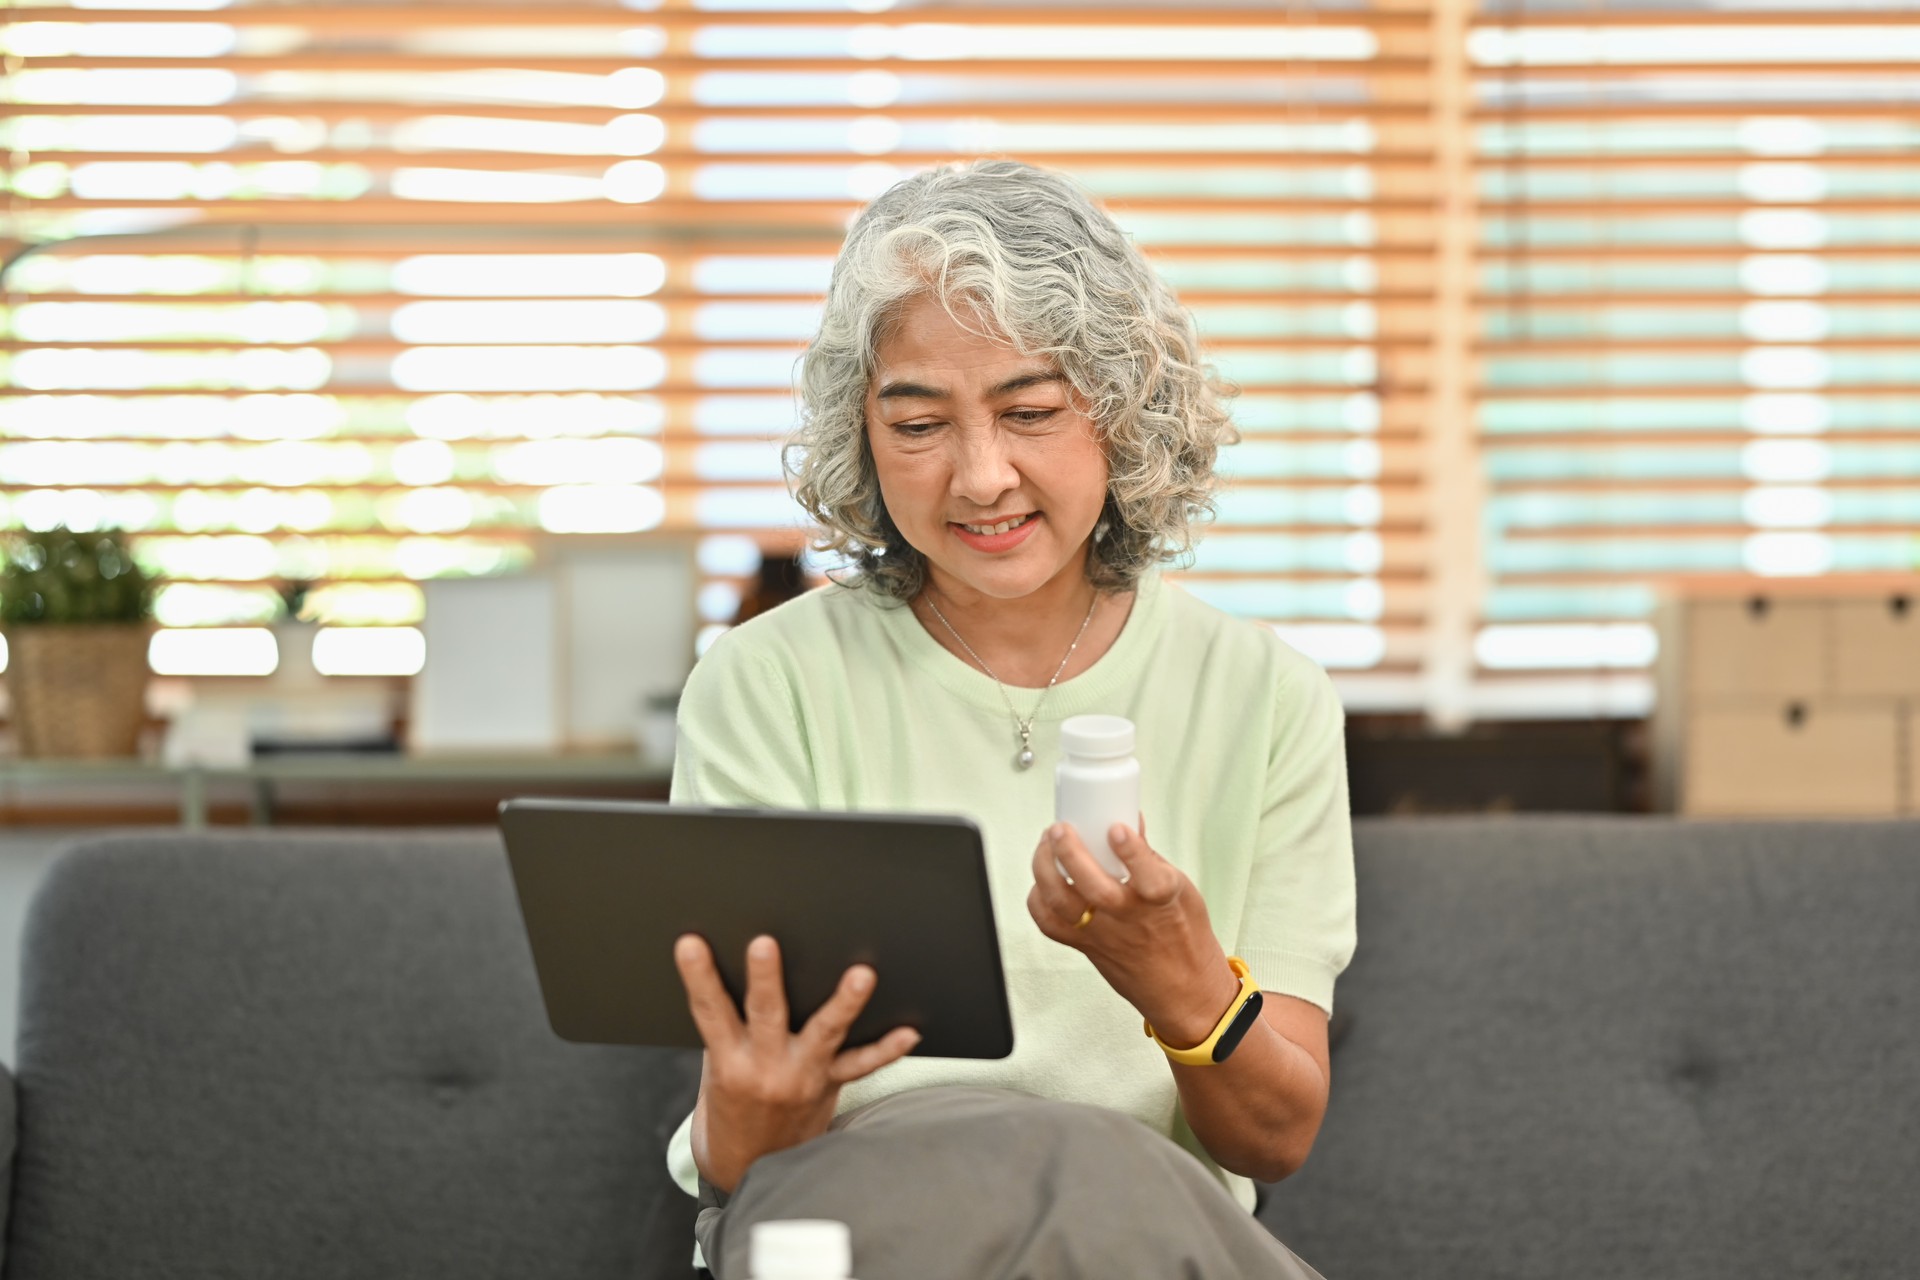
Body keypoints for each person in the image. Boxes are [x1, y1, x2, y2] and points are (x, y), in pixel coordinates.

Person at [666, 159, 1355, 1279]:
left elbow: (1272, 1138)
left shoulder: (1265, 695)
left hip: (1145, 1226)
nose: (982, 477)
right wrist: (749, 1108)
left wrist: (1184, 987)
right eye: (920, 421)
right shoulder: (765, 682)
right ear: (863, 433)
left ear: (1123, 409)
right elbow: (749, 1170)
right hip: (858, 1218)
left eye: (1030, 411)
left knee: (1105, 1190)